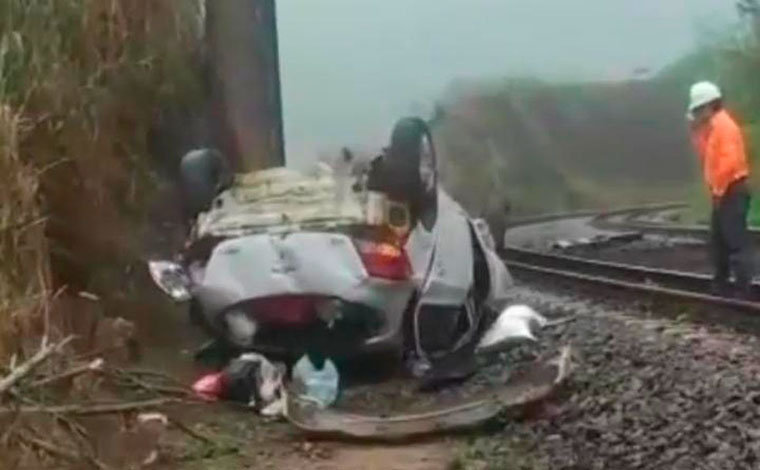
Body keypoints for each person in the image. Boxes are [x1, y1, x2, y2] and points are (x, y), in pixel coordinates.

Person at [687, 81, 755, 299]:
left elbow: (729, 162)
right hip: (724, 190)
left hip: (731, 189)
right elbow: (706, 157)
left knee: (735, 241)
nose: (697, 113)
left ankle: (743, 288)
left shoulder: (724, 127)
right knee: (719, 241)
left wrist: (718, 189)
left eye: (698, 109)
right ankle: (722, 285)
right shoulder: (715, 128)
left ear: (709, 105)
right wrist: (697, 131)